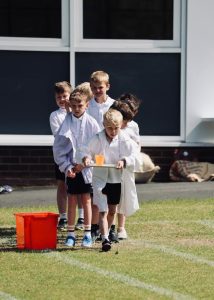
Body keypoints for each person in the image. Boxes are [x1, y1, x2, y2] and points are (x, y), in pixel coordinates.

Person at [83, 109, 138, 252]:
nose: (113, 131)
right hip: (100, 178)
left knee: (112, 211)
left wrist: (124, 161)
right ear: (104, 125)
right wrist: (87, 158)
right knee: (103, 210)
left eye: (116, 128)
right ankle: (105, 238)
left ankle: (108, 231)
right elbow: (84, 150)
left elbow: (133, 155)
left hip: (115, 179)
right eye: (109, 128)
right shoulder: (97, 138)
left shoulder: (124, 139)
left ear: (121, 126)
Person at [53, 89, 100, 248]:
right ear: (69, 106)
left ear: (86, 105)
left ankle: (87, 234)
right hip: (71, 170)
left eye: (80, 105)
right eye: (73, 106)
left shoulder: (92, 123)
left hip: (87, 170)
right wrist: (67, 167)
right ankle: (71, 234)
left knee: (87, 200)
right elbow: (59, 149)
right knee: (72, 200)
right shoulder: (65, 123)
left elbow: (97, 147)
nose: (77, 108)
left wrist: (88, 160)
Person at [87, 70, 115, 241]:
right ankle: (96, 225)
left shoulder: (113, 105)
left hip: (111, 151)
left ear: (107, 87)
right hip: (96, 152)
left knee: (112, 189)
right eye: (95, 88)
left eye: (101, 87)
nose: (98, 90)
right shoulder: (88, 105)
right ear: (91, 88)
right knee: (97, 189)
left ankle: (112, 227)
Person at [110, 93, 141, 239]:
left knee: (124, 197)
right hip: (110, 167)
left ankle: (121, 228)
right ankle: (109, 227)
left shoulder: (132, 126)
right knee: (111, 198)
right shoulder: (111, 125)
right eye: (125, 121)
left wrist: (128, 160)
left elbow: (136, 145)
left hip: (125, 167)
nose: (127, 124)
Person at [49, 81, 73, 230]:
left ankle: (81, 216)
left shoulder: (79, 110)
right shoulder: (55, 115)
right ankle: (63, 217)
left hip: (76, 155)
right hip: (62, 155)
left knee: (81, 188)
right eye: (59, 97)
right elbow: (59, 134)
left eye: (65, 96)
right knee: (62, 185)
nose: (62, 99)